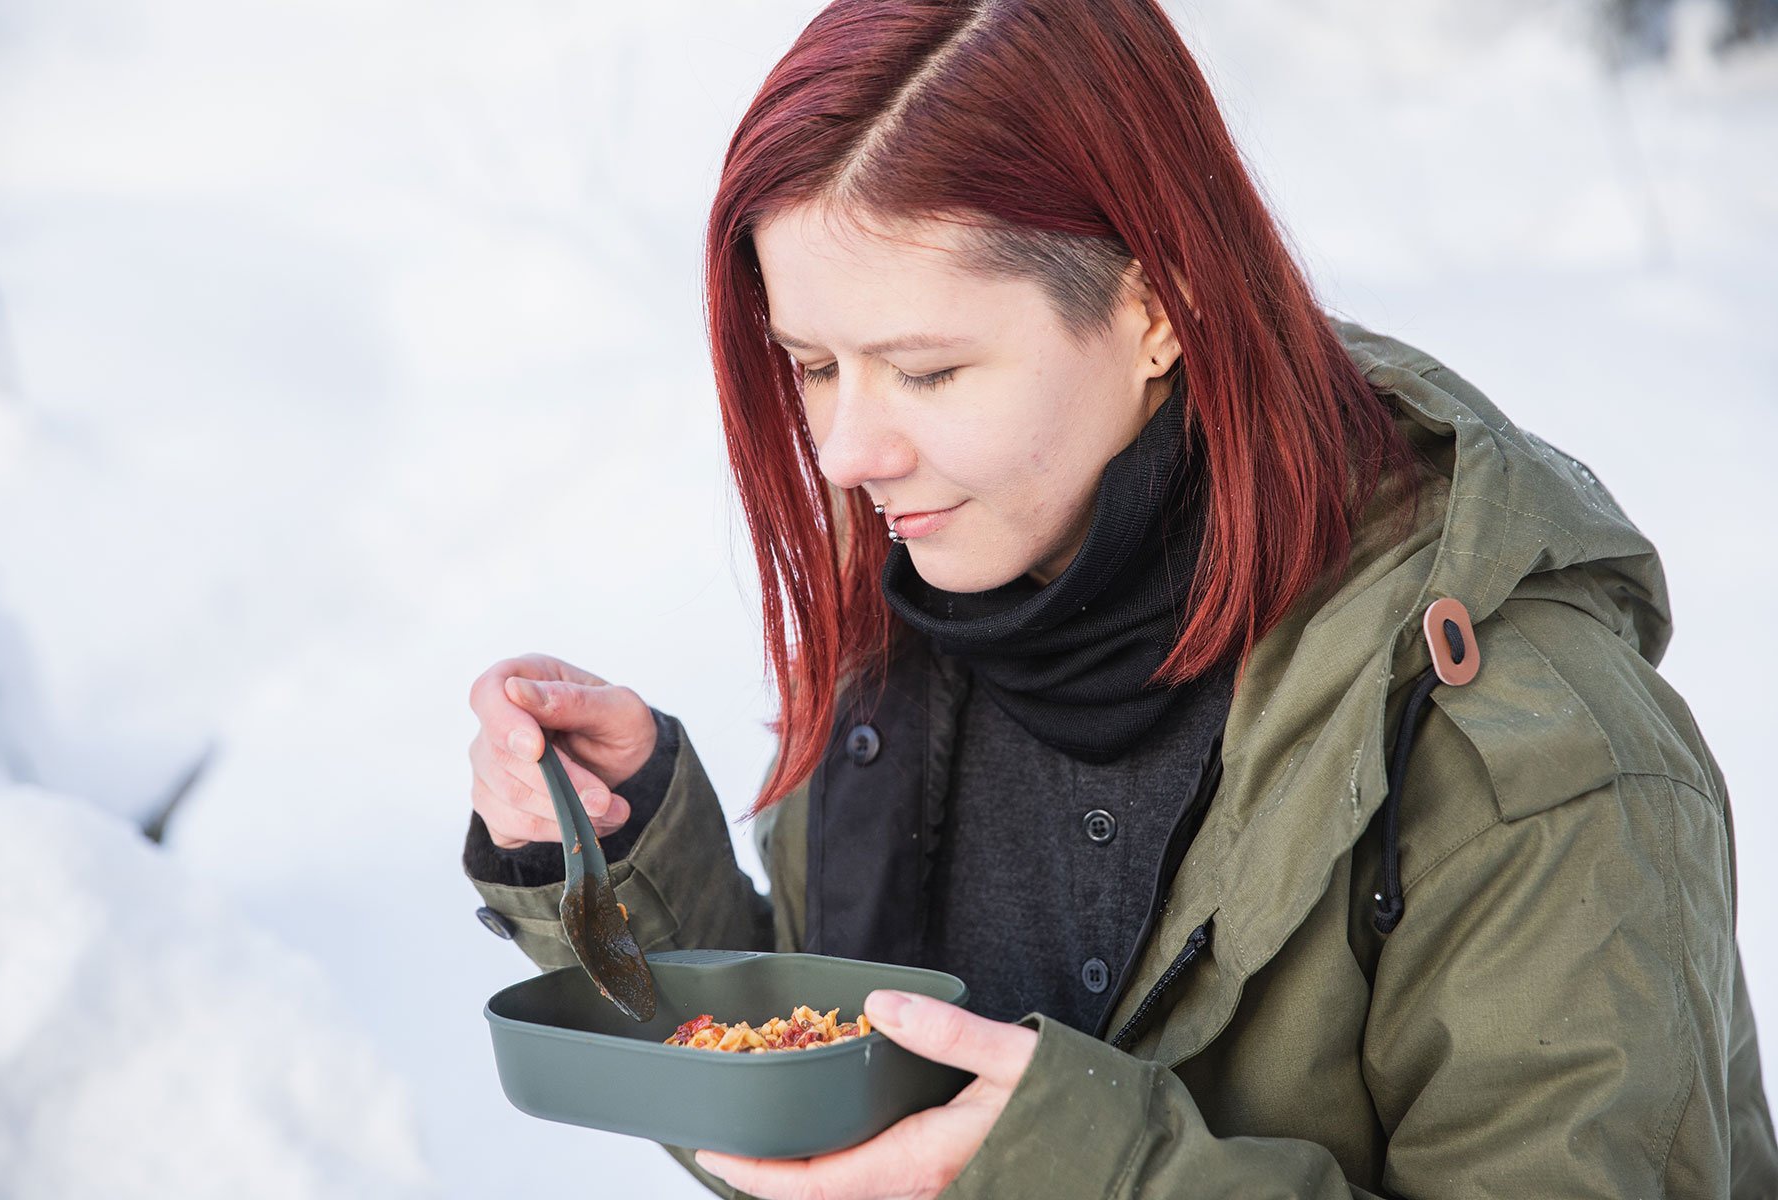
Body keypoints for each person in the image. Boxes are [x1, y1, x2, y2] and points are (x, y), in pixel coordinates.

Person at [461, 0, 1778, 1195]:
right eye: (812, 365)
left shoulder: (1531, 758)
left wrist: (1074, 1169)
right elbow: (839, 1123)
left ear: (1160, 306)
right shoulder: (937, 597)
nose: (844, 452)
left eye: (925, 371)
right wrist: (619, 853)